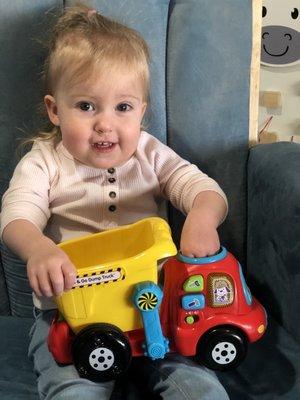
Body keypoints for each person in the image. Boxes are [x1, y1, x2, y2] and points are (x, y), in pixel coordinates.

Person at [0, 4, 229, 400]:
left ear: (141, 111)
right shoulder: (44, 161)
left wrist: (202, 218)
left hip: (155, 306)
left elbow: (203, 188)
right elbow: (16, 215)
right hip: (75, 312)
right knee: (72, 389)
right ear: (55, 110)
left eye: (122, 107)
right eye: (86, 106)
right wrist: (38, 248)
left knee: (200, 388)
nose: (105, 123)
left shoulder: (149, 153)